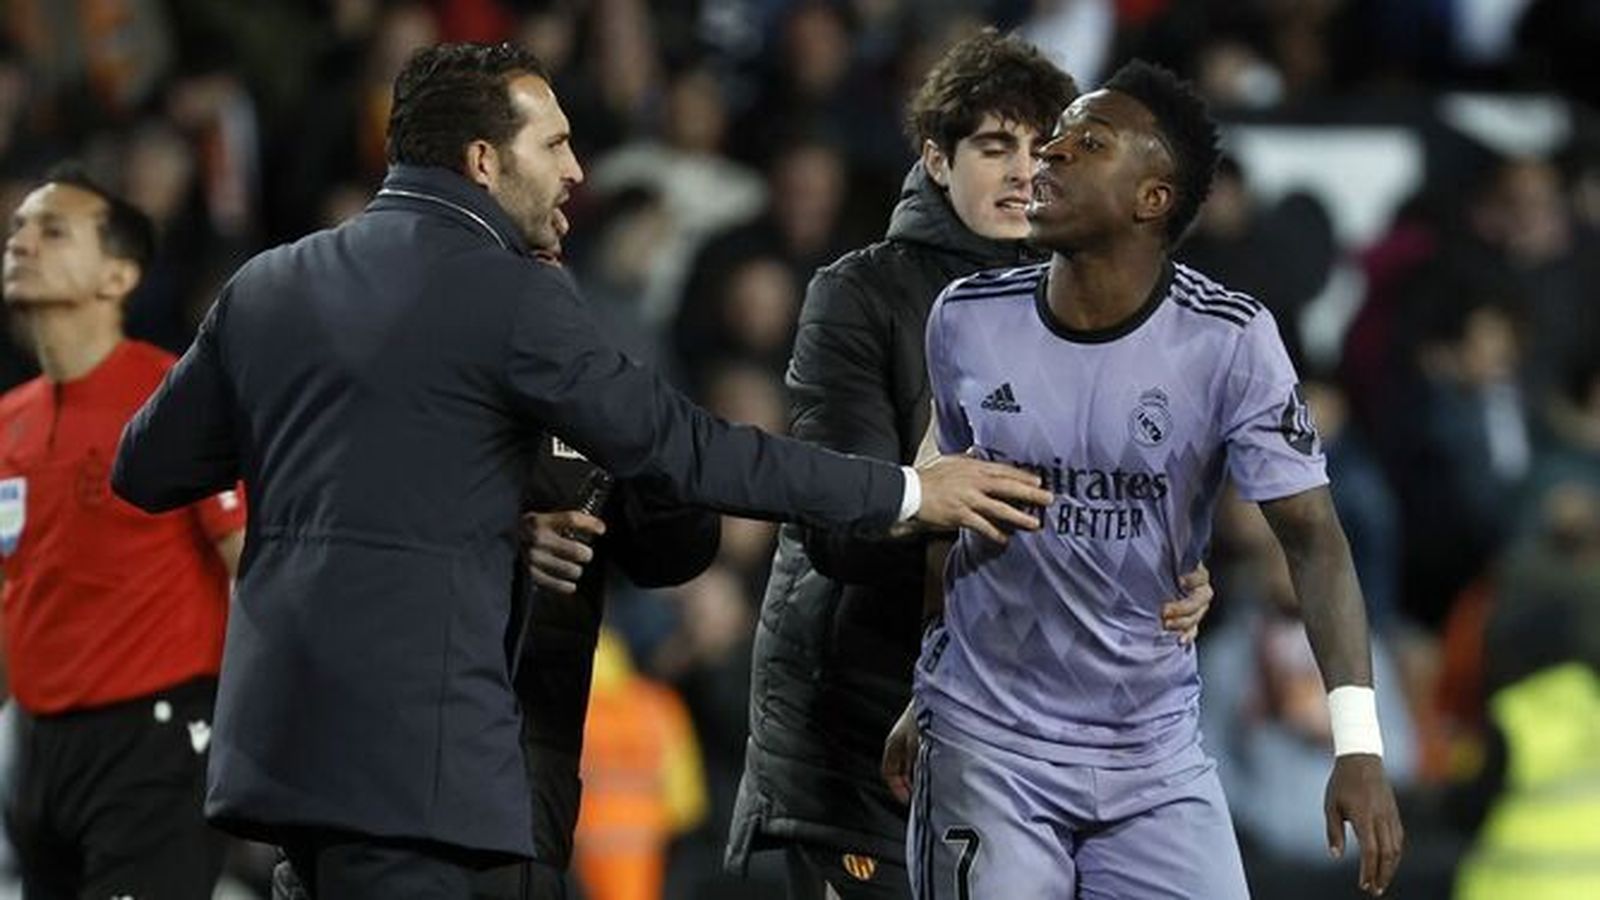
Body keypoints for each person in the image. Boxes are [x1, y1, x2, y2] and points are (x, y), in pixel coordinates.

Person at [108, 42, 1050, 896]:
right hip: (418, 774)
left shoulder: (271, 282)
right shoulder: (511, 293)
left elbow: (149, 468)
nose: (576, 168)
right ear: (484, 161)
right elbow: (687, 451)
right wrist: (911, 489)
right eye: (553, 144)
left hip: (283, 757)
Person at [892, 60, 1404, 898]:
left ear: (1151, 199)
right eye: (1052, 138)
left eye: (1083, 143)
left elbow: (1315, 541)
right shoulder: (967, 319)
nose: (1046, 155)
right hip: (993, 745)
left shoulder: (1229, 341)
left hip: (1153, 753)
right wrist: (925, 691)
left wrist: (1358, 744)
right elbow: (940, 521)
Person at [725, 30, 1212, 900]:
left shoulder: (1091, 308)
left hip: (1025, 746)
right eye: (995, 147)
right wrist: (946, 501)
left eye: (1043, 147)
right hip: (861, 739)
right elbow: (837, 519)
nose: (1024, 170)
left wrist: (1170, 571)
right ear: (937, 161)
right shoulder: (859, 294)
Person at [0, 165, 245, 898]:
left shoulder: (178, 395)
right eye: (17, 229)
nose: (21, 241)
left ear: (117, 276)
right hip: (39, 750)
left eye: (52, 230)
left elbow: (253, 565)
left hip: (156, 743)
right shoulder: (9, 420)